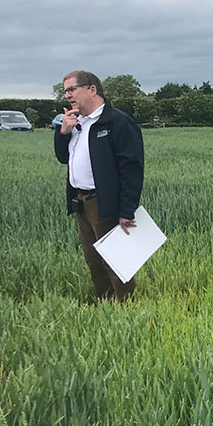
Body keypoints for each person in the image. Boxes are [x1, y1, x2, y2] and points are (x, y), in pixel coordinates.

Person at [54, 70, 144, 301]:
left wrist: (126, 210)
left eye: (72, 89)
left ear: (92, 89)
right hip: (80, 201)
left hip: (104, 202)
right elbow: (63, 158)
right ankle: (104, 303)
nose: (68, 96)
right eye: (66, 92)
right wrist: (63, 132)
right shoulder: (76, 123)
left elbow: (131, 169)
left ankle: (126, 306)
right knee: (93, 260)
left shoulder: (116, 122)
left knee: (115, 259)